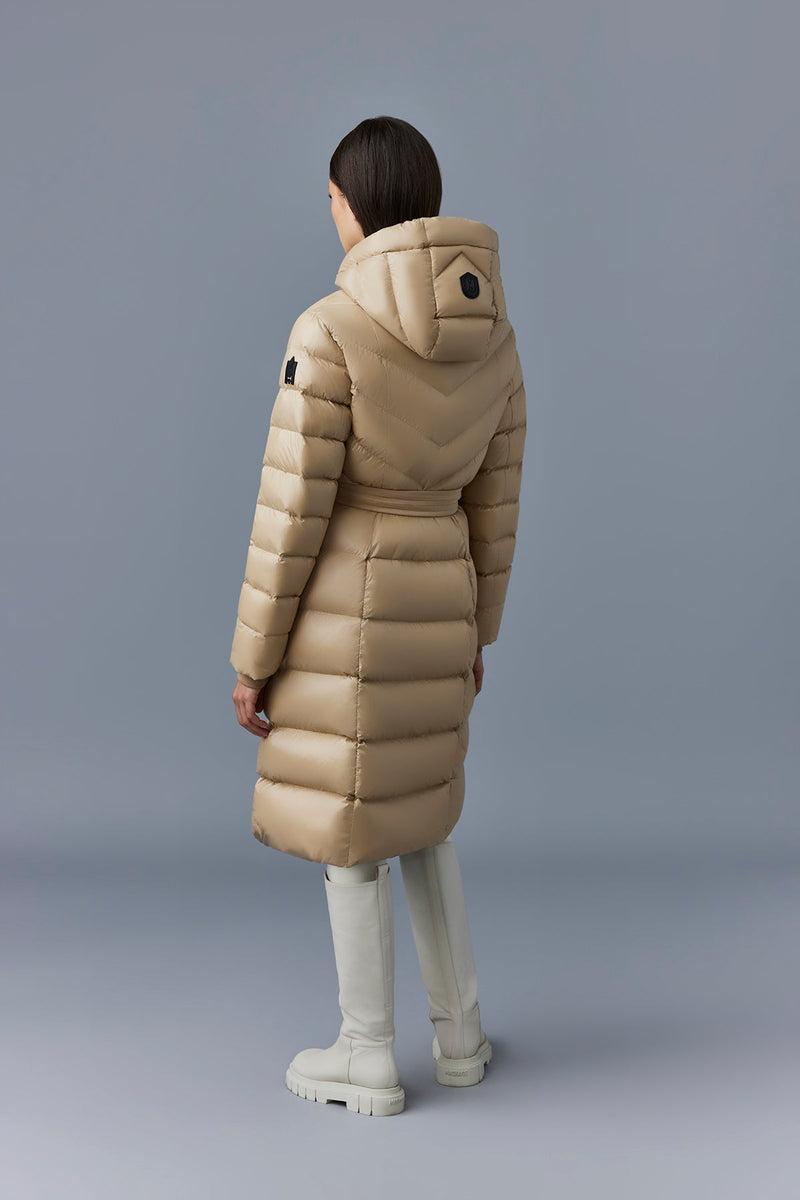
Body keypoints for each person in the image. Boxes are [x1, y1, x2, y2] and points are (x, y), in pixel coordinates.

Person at [230, 116, 527, 1116]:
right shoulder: (494, 337)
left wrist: (254, 659)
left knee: (352, 830)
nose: (329, 215)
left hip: (347, 614)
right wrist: (478, 633)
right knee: (424, 820)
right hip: (441, 598)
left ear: (356, 203)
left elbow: (290, 512)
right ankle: (461, 1039)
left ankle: (365, 1057)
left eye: (330, 199)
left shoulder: (329, 329)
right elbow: (497, 502)